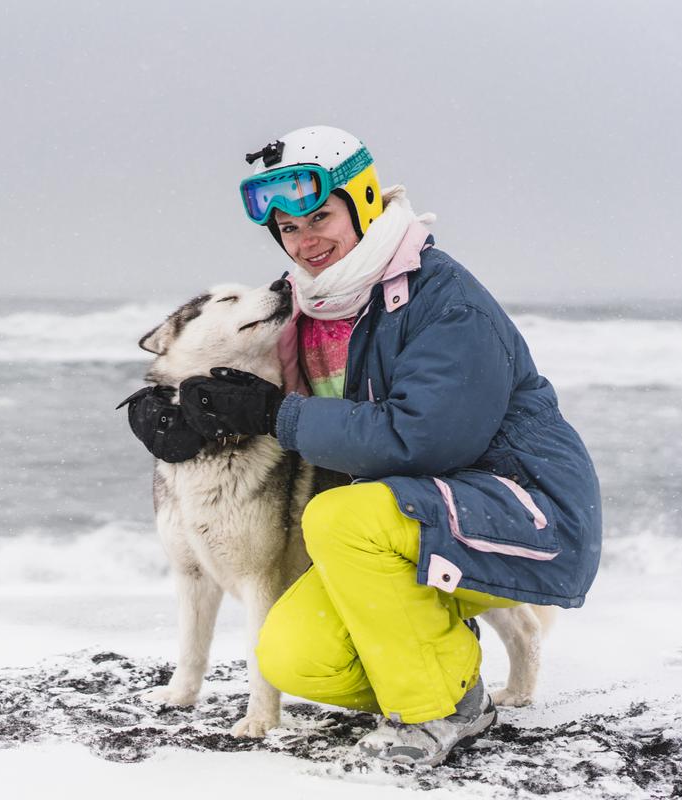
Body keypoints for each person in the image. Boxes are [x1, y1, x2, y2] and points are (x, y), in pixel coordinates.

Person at [137, 125, 602, 767]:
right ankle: (451, 674)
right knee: (293, 655)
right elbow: (241, 379)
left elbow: (421, 440)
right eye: (288, 229)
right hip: (398, 520)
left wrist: (273, 414)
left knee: (339, 516)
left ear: (363, 202)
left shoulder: (444, 301)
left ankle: (435, 710)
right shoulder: (305, 301)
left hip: (520, 510)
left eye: (320, 217)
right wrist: (187, 416)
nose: (306, 240)